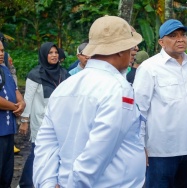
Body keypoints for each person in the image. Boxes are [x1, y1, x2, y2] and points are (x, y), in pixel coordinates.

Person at [32, 16, 145, 188]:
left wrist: (47, 183)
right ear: (121, 50)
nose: (133, 53)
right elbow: (98, 152)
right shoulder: (118, 89)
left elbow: (46, 142)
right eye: (131, 48)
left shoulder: (65, 87)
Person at [133, 19, 187, 188]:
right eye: (173, 36)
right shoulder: (150, 68)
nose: (180, 39)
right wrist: (140, 146)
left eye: (183, 35)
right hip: (162, 152)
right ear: (161, 42)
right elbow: (138, 110)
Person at [18, 42, 70, 188]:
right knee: (37, 150)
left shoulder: (64, 73)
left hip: (60, 119)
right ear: (43, 55)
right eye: (50, 53)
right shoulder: (35, 74)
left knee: (55, 150)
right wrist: (24, 120)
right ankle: (25, 183)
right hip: (40, 119)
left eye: (55, 52)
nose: (54, 55)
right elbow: (27, 99)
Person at [0, 40, 25, 188]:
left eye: (2, 50)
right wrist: (15, 107)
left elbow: (15, 91)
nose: (1, 54)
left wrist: (22, 103)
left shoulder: (5, 69)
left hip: (8, 132)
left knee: (6, 175)